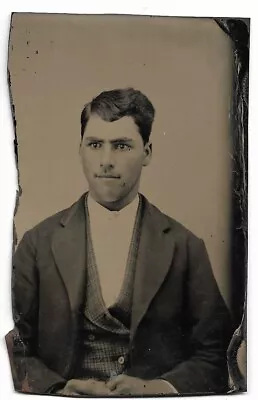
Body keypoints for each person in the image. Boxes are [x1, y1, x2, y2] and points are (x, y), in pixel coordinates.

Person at [6, 88, 233, 396]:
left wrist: (157, 387)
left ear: (148, 152)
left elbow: (220, 352)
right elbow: (11, 345)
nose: (106, 161)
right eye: (95, 144)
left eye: (122, 146)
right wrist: (58, 388)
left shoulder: (185, 247)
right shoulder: (37, 243)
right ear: (81, 149)